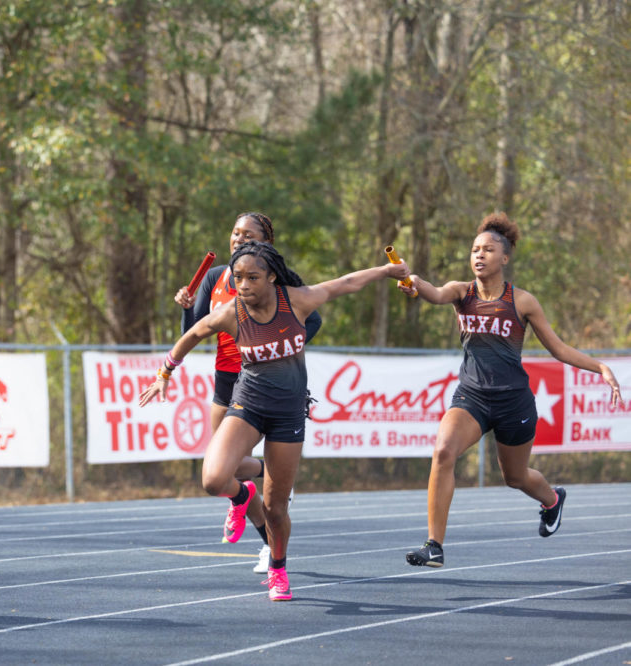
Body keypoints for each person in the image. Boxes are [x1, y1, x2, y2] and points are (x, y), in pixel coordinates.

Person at [142, 241, 410, 600]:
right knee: (213, 478)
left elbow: (344, 283)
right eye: (238, 277)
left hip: (287, 414)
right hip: (248, 406)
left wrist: (387, 271)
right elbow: (192, 334)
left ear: (271, 276)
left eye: (253, 277)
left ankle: (278, 569)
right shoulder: (230, 313)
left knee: (275, 508)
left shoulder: (294, 301)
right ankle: (241, 496)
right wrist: (164, 372)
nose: (245, 285)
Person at [399, 213, 623, 568]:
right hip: (471, 397)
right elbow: (432, 292)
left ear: (504, 258)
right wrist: (412, 282)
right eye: (474, 249)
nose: (479, 255)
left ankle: (552, 499)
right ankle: (434, 545)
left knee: (515, 477)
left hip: (513, 401)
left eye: (488, 249)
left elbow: (559, 349)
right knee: (443, 451)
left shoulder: (522, 302)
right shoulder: (462, 292)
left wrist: (601, 367)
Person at [174, 212, 322, 573]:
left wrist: (275, 351)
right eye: (235, 233)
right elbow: (194, 331)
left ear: (264, 244)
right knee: (222, 468)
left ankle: (271, 547)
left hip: (263, 379)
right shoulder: (215, 277)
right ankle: (262, 481)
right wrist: (187, 306)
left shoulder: (274, 284)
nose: (239, 239)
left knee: (232, 472)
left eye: (248, 235)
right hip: (227, 379)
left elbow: (311, 320)